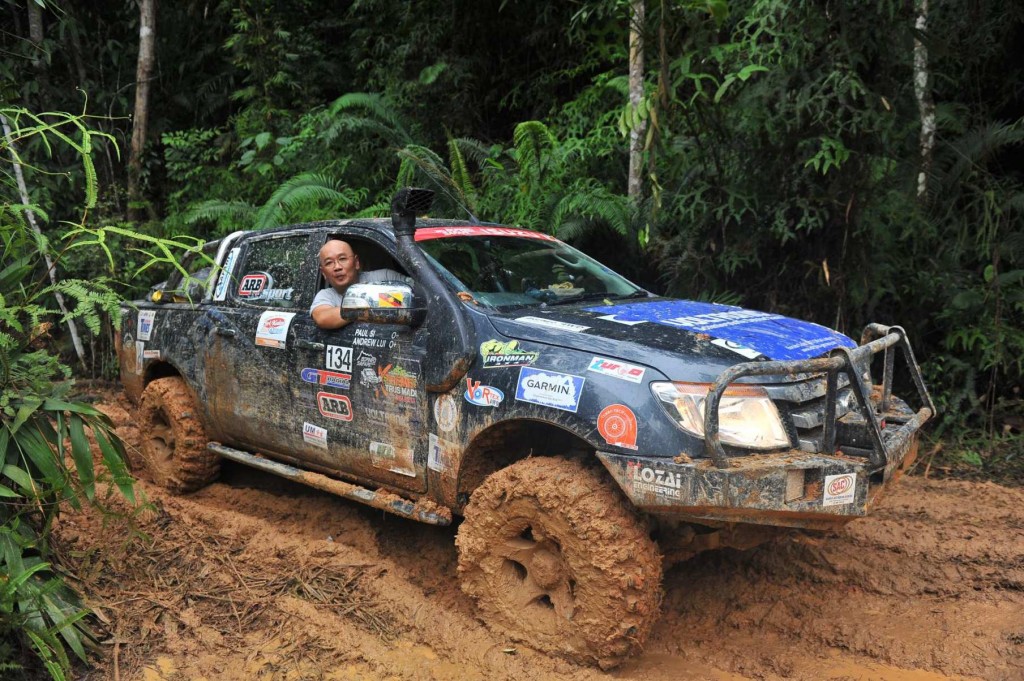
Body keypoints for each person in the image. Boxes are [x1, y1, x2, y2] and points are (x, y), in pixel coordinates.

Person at [310, 239, 411, 329]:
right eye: (329, 263)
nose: (337, 267)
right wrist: (370, 303)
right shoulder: (326, 295)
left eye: (342, 259)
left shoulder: (385, 277)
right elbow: (322, 318)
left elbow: (420, 294)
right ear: (324, 273)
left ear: (356, 262)